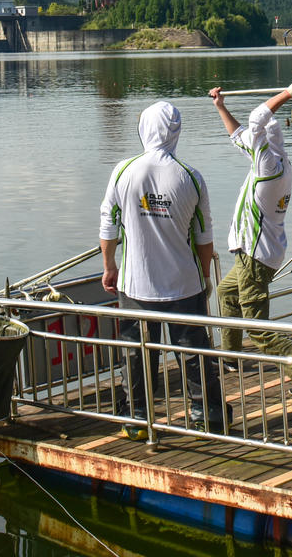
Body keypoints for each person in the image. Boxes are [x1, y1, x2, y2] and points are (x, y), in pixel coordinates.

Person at [98, 101, 228, 438]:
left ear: (143, 129)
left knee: (136, 354)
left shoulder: (123, 171)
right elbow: (204, 237)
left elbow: (109, 226)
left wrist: (109, 266)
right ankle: (207, 415)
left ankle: (138, 419)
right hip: (184, 284)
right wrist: (204, 276)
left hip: (135, 284)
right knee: (193, 352)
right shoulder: (191, 177)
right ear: (176, 132)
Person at [208, 80, 292, 393]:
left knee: (257, 328)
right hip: (257, 251)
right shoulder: (274, 159)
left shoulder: (268, 166)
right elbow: (240, 135)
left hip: (255, 256)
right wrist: (221, 107)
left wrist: (287, 94)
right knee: (227, 293)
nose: (250, 141)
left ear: (263, 144)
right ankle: (230, 357)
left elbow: (256, 120)